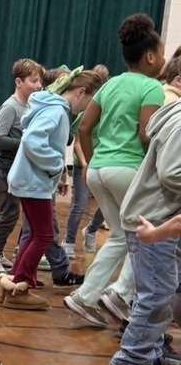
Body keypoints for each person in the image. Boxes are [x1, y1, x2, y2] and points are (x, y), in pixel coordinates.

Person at [65, 15, 166, 328]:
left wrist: (91, 163)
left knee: (122, 234)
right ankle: (120, 292)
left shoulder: (110, 84)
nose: (163, 59)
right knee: (146, 235)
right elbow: (146, 134)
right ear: (150, 56)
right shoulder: (152, 88)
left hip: (99, 170)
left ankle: (87, 295)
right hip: (128, 170)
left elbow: (84, 126)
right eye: (162, 53)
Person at [1, 71, 103, 309]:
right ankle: (21, 286)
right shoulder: (56, 110)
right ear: (80, 92)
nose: (87, 108)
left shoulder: (52, 107)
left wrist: (57, 172)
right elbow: (32, 141)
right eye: (89, 101)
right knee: (44, 235)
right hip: (33, 181)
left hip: (31, 180)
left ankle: (15, 283)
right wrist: (56, 165)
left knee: (38, 233)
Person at [104, 91, 181, 365]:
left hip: (160, 218)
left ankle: (149, 350)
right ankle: (129, 360)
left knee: (161, 289)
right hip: (153, 219)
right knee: (157, 293)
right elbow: (173, 173)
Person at [0, 59, 45, 277]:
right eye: (33, 81)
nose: (38, 86)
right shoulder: (10, 107)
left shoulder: (31, 106)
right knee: (7, 212)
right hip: (3, 167)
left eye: (39, 81)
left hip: (15, 168)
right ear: (18, 82)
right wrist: (26, 143)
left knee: (7, 212)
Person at [64, 63, 112, 258]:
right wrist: (85, 163)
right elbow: (77, 141)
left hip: (101, 162)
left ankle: (91, 230)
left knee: (108, 203)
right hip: (82, 163)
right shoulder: (86, 111)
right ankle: (68, 241)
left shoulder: (109, 112)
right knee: (80, 203)